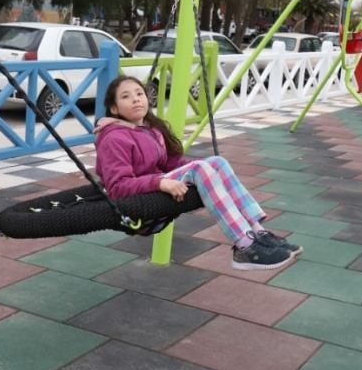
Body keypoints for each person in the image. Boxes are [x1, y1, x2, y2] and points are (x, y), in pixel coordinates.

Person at [94, 76, 301, 270]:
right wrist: (159, 183)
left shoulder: (150, 130)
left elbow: (171, 163)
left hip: (153, 184)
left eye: (139, 93)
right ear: (114, 108)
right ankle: (244, 245)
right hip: (139, 198)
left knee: (216, 162)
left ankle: (258, 232)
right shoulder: (114, 138)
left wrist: (207, 170)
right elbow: (117, 187)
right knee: (201, 168)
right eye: (125, 96)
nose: (136, 100)